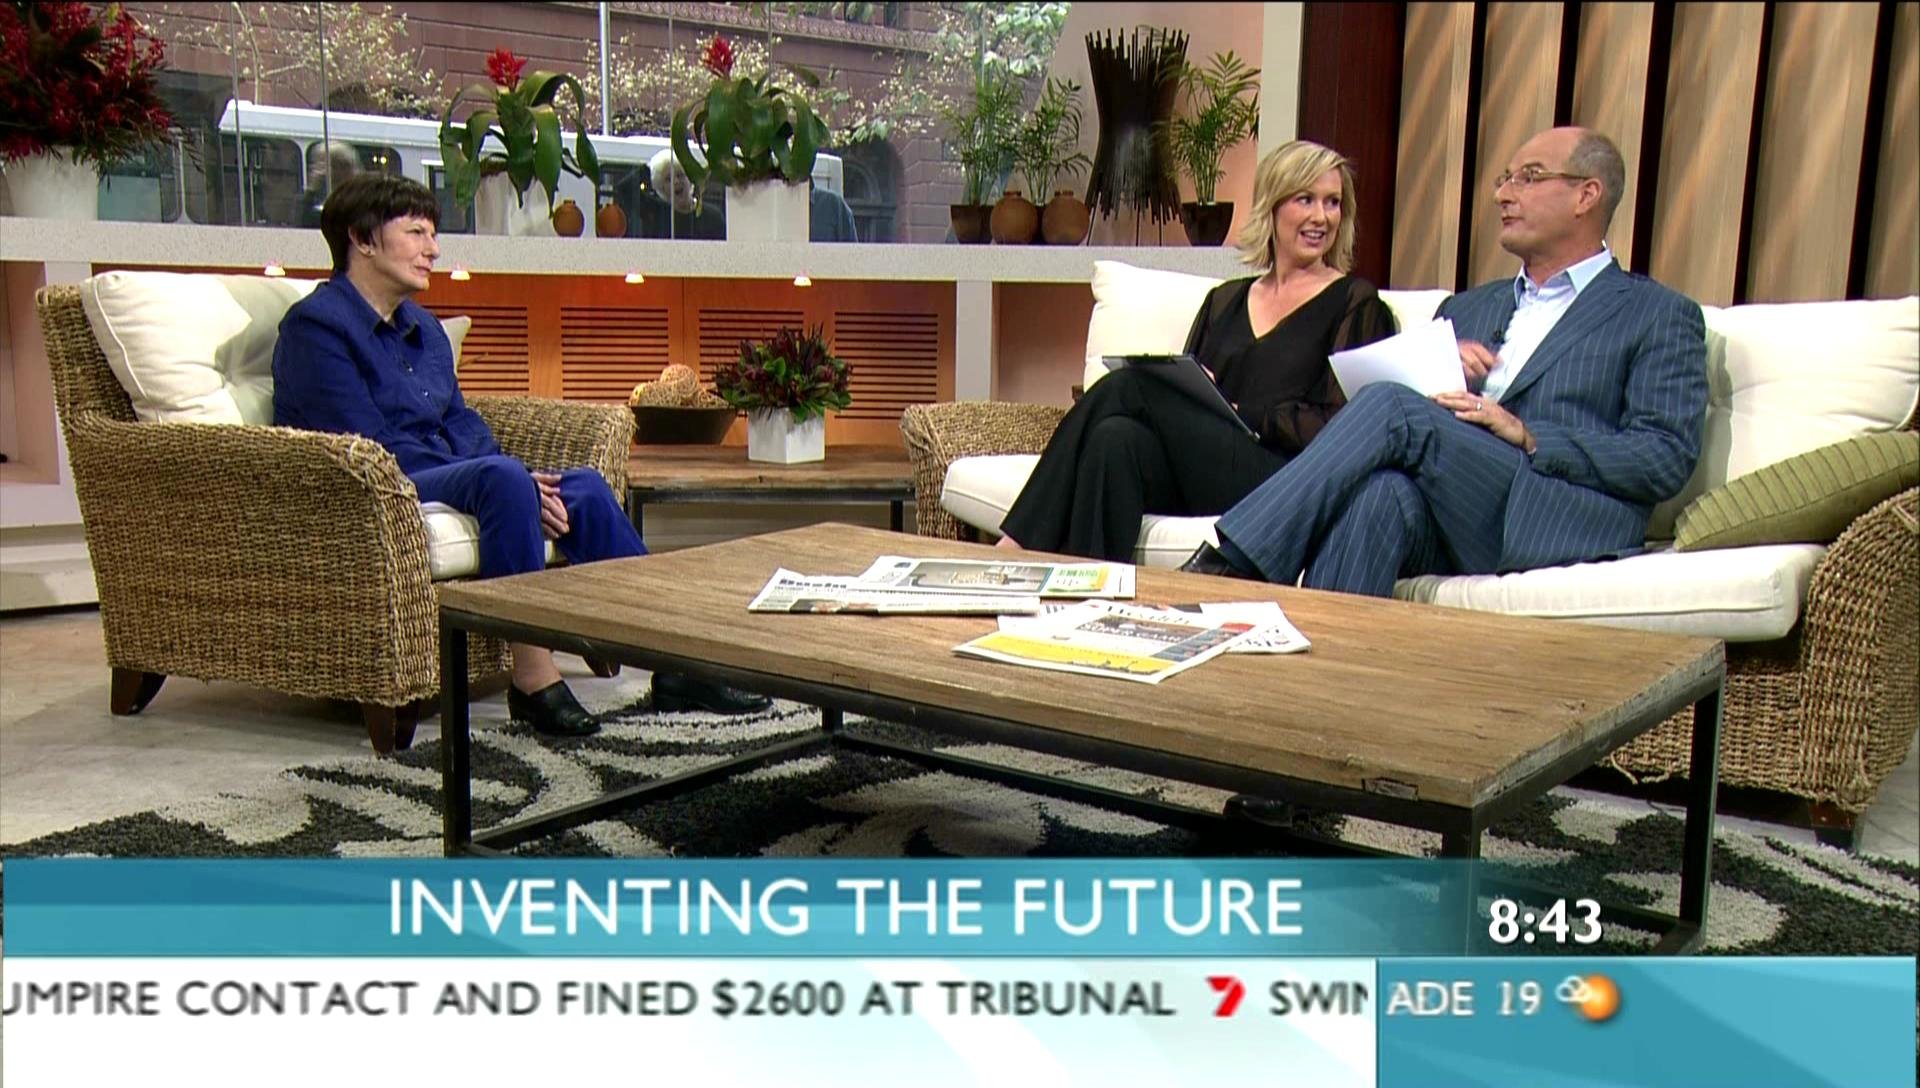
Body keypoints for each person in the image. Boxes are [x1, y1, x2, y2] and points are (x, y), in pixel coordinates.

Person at [272, 173, 771, 737]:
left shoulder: (423, 330)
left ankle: (678, 664)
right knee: (503, 479)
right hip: (374, 483)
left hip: (444, 471)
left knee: (583, 489)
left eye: (433, 234)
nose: (433, 249)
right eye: (416, 233)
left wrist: (532, 482)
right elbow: (362, 446)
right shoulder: (317, 329)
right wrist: (506, 480)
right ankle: (532, 681)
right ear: (362, 239)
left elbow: (460, 423)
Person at [1183, 127, 1708, 595]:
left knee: (1391, 407)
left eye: (1528, 178)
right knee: (1378, 495)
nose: (1503, 194)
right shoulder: (1468, 308)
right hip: (1458, 506)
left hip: (1554, 510)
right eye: (1505, 179)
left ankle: (1233, 561)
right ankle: (1313, 666)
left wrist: (1530, 435)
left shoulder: (1657, 314)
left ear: (1586, 195)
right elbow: (1425, 421)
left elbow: (1664, 457)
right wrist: (1428, 366)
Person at [993, 140, 1398, 562]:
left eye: (1333, 202)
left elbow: (1349, 424)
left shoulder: (1355, 302)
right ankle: (1087, 587)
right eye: (1306, 199)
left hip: (1279, 477)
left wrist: (1247, 414)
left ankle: (1018, 543)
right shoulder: (1225, 300)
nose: (1321, 216)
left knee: (1130, 385)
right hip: (1205, 467)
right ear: (1273, 206)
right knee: (1113, 438)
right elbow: (1187, 394)